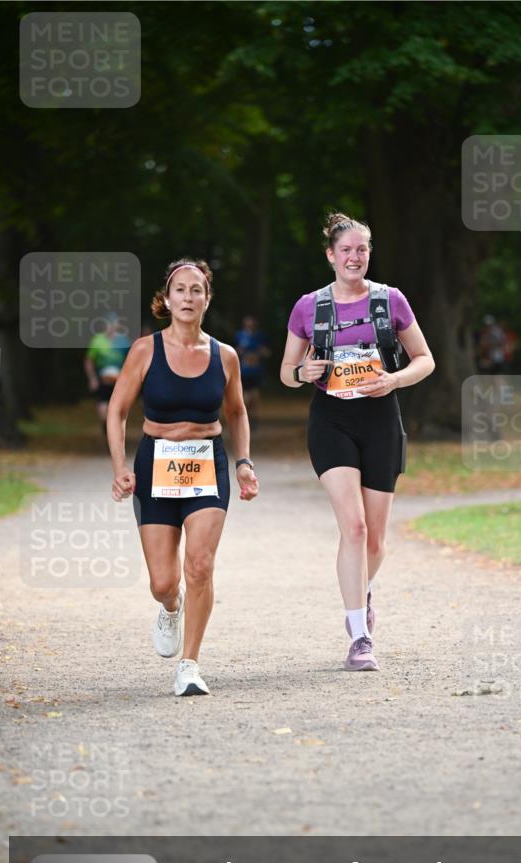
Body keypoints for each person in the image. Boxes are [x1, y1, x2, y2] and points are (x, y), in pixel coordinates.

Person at [280, 212, 435, 672]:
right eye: (345, 250)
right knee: (355, 527)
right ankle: (360, 637)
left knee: (376, 540)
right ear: (331, 255)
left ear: (369, 254)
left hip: (381, 418)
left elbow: (424, 359)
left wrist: (394, 380)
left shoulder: (391, 300)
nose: (354, 257)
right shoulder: (309, 307)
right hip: (331, 419)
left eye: (361, 249)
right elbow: (286, 372)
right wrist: (302, 372)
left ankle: (361, 590)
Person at [107, 259, 259, 696]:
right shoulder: (145, 350)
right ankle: (170, 606)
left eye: (197, 290)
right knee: (162, 582)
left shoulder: (225, 356)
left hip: (207, 462)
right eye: (180, 289)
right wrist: (120, 468)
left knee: (200, 564)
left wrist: (244, 462)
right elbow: (117, 411)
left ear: (207, 300)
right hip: (155, 463)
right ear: (168, 298)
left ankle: (189, 665)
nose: (188, 297)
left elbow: (237, 412)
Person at [84, 312, 132, 438]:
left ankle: (115, 432)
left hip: (119, 382)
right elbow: (89, 361)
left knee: (117, 409)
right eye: (108, 323)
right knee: (103, 409)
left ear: (117, 325)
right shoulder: (97, 341)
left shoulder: (123, 341)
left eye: (113, 323)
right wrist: (92, 379)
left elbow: (131, 360)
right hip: (103, 380)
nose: (111, 326)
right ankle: (106, 427)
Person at [234, 315, 270, 425]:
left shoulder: (261, 336)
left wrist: (258, 354)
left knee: (254, 396)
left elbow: (267, 352)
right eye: (247, 324)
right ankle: (246, 418)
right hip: (244, 371)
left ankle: (252, 418)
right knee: (245, 397)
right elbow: (235, 351)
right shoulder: (239, 335)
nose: (250, 326)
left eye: (252, 324)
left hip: (256, 371)